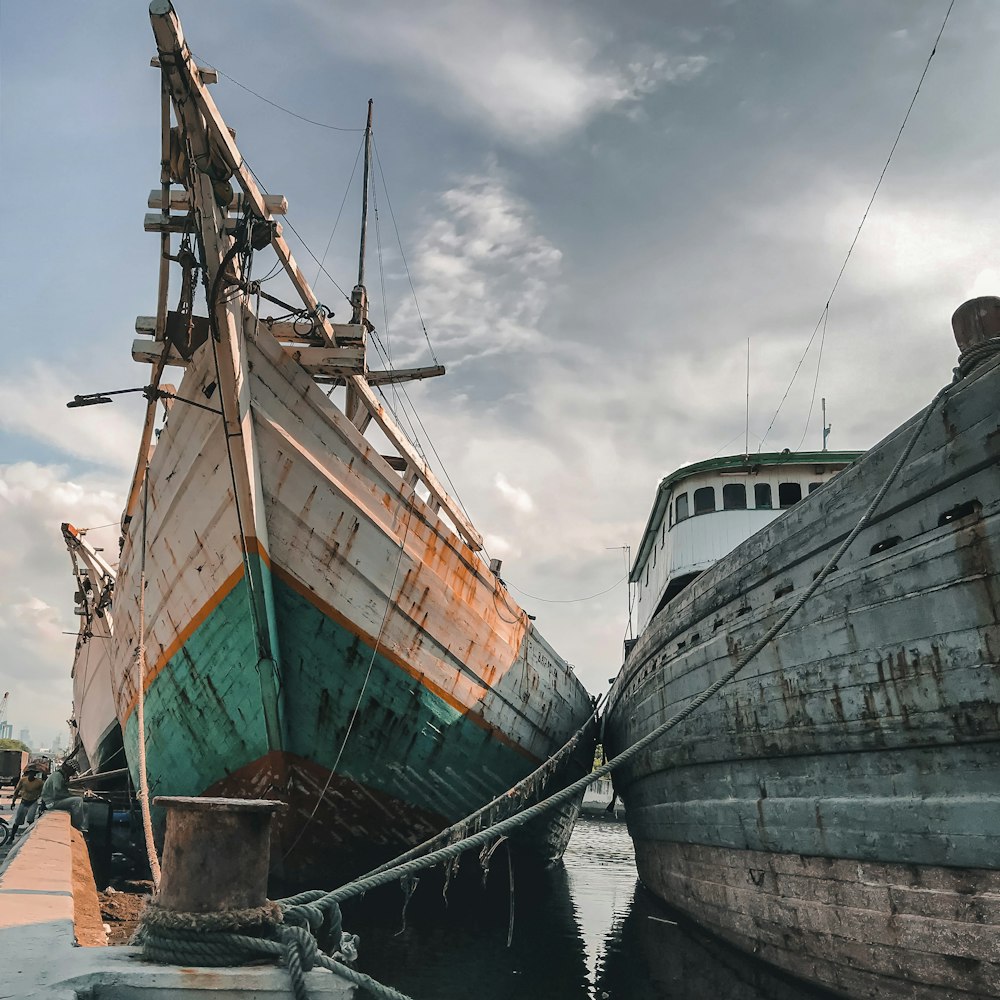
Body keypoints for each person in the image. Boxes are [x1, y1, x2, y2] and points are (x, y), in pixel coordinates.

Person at [40, 760, 89, 834]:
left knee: (85, 805)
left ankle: (84, 828)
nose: (73, 773)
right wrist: (72, 796)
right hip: (51, 802)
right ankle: (78, 827)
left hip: (56, 801)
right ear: (69, 769)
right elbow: (57, 794)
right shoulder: (57, 776)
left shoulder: (62, 776)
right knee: (77, 801)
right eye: (73, 771)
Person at [10, 768, 45, 838]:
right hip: (24, 801)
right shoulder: (23, 780)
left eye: (33, 773)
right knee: (17, 821)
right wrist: (13, 802)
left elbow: (43, 793)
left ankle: (30, 837)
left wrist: (42, 803)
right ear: (28, 773)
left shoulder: (39, 782)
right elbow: (16, 791)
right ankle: (12, 837)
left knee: (30, 820)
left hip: (33, 802)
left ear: (35, 774)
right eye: (30, 773)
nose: (32, 774)